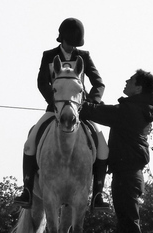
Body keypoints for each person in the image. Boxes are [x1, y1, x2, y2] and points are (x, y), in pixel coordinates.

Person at [14, 18, 110, 211]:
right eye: (71, 40)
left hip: (80, 111)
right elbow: (42, 83)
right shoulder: (49, 56)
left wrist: (90, 103)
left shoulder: (84, 56)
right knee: (30, 142)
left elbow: (99, 83)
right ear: (63, 37)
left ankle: (98, 194)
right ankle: (27, 190)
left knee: (103, 147)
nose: (73, 45)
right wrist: (55, 102)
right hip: (54, 110)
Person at [80, 69, 153, 232]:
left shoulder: (130, 110)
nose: (126, 81)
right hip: (128, 175)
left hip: (126, 176)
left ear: (138, 88)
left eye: (131, 80)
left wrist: (76, 101)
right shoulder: (137, 109)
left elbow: (95, 112)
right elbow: (106, 111)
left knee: (128, 224)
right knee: (125, 224)